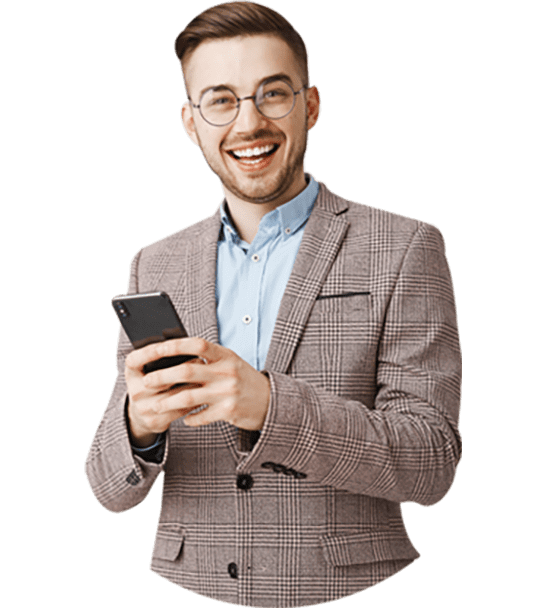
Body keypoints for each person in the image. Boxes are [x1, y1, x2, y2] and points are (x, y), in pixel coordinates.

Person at [84, 2, 462, 607]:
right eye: (221, 100)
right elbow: (108, 489)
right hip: (184, 584)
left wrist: (269, 404)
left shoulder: (405, 246)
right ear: (191, 122)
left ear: (310, 105)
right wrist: (140, 427)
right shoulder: (154, 263)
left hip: (349, 588)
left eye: (272, 94)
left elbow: (431, 461)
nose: (248, 122)